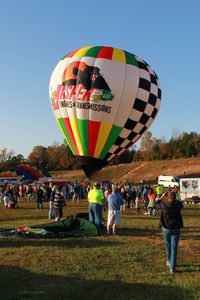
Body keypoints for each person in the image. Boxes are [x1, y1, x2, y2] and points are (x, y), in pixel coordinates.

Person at [159, 191, 183, 274]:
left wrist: (162, 196)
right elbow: (181, 204)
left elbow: (157, 201)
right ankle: (172, 268)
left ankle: (169, 261)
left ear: (167, 197)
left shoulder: (164, 204)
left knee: (168, 245)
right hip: (176, 228)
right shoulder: (178, 204)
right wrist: (176, 197)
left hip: (166, 228)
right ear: (175, 197)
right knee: (174, 248)